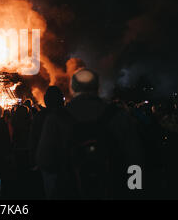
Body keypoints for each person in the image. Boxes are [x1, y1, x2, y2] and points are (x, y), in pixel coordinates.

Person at [37, 68, 144, 199]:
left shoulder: (56, 119)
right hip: (112, 190)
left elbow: (44, 161)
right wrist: (135, 189)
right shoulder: (119, 116)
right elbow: (135, 159)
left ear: (72, 89)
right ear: (97, 88)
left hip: (71, 192)